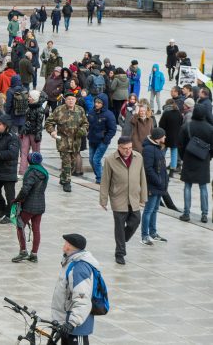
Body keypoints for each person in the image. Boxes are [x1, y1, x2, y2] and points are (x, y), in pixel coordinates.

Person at [99, 136, 147, 265]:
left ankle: (122, 239)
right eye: (125, 148)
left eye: (130, 148)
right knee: (119, 227)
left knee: (136, 220)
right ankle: (120, 253)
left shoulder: (138, 157)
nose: (128, 151)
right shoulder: (110, 160)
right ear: (119, 147)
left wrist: (143, 197)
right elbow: (105, 181)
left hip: (134, 197)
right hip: (118, 198)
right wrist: (103, 200)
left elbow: (142, 177)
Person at [50, 233, 99, 344]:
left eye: (66, 242)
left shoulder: (79, 268)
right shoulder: (71, 262)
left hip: (76, 328)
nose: (64, 245)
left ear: (70, 246)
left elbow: (83, 300)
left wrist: (72, 323)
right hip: (67, 324)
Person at [45, 94, 89, 192]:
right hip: (63, 141)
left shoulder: (80, 110)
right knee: (66, 162)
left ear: (75, 100)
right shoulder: (59, 110)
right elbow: (49, 122)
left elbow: (85, 123)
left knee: (73, 163)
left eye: (72, 99)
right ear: (65, 100)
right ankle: (67, 183)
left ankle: (63, 177)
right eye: (68, 99)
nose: (70, 101)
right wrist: (52, 131)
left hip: (75, 141)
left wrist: (83, 129)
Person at [178, 101, 213, 222]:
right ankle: (204, 215)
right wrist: (209, 157)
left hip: (188, 159)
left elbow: (180, 145)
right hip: (203, 161)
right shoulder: (210, 129)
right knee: (203, 187)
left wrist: (183, 157)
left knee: (187, 186)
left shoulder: (186, 126)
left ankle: (186, 213)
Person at [12, 151, 48, 263]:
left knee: (20, 225)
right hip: (41, 204)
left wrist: (17, 199)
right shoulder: (44, 172)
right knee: (36, 229)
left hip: (29, 205)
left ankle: (23, 251)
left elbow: (25, 189)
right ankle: (34, 254)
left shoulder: (32, 172)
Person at [140, 127, 168, 245]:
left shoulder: (157, 147)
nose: (165, 137)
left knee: (155, 209)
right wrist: (158, 181)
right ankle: (145, 236)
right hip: (153, 185)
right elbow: (148, 168)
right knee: (148, 210)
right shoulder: (149, 149)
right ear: (158, 138)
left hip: (159, 185)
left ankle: (153, 233)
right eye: (163, 136)